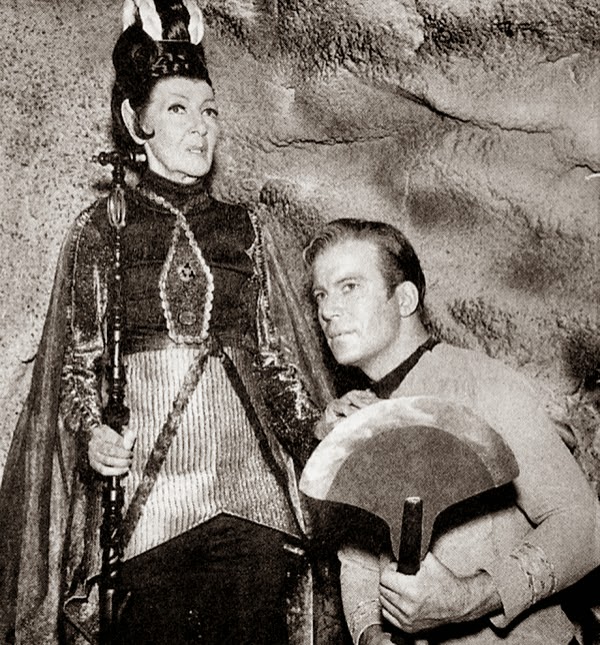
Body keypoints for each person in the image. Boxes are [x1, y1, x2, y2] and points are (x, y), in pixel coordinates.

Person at [0, 1, 331, 643]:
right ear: (136, 121)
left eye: (209, 110)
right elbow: (77, 366)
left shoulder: (248, 229)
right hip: (150, 514)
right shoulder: (102, 229)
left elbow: (273, 361)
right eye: (178, 109)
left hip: (253, 502)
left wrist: (313, 425)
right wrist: (93, 434)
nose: (200, 127)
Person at [303, 217, 600, 645]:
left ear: (404, 298)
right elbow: (359, 558)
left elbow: (585, 525)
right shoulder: (355, 417)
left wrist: (469, 598)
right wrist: (370, 632)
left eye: (349, 287)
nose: (328, 311)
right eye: (321, 294)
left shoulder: (483, 384)